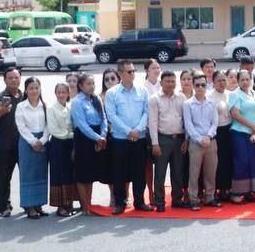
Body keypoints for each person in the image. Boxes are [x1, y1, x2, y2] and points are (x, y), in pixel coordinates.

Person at [105, 61, 152, 215]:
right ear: (120, 74)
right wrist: (128, 131)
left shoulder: (142, 90)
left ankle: (139, 201)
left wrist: (138, 130)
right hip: (120, 139)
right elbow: (111, 116)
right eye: (129, 71)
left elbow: (146, 112)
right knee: (119, 172)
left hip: (139, 137)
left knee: (139, 171)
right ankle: (120, 203)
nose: (133, 74)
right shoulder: (112, 93)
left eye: (133, 71)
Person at [0, 67, 24, 217]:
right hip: (5, 145)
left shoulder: (26, 96)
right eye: (10, 78)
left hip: (24, 144)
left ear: (20, 79)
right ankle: (4, 206)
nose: (14, 80)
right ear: (5, 80)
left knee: (27, 176)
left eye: (16, 77)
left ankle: (30, 205)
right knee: (4, 177)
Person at [149, 70, 188, 211]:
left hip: (179, 139)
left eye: (173, 81)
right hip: (162, 139)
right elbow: (152, 122)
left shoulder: (181, 97)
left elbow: (186, 120)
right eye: (167, 81)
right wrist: (155, 143)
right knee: (160, 172)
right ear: (161, 82)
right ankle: (159, 201)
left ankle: (177, 199)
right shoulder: (155, 99)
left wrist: (186, 139)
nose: (170, 84)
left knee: (178, 171)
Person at [70, 73, 109, 216]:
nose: (91, 86)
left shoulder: (96, 98)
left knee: (91, 173)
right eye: (88, 84)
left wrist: (103, 136)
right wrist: (97, 138)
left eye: (93, 83)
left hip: (98, 136)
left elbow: (103, 118)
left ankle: (89, 204)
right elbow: (81, 124)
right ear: (80, 86)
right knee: (83, 173)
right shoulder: (77, 101)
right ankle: (85, 206)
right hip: (84, 138)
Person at [227, 70, 255, 203]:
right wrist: (253, 127)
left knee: (254, 162)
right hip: (239, 133)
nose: (245, 82)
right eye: (242, 80)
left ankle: (250, 192)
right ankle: (236, 193)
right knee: (241, 162)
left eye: (247, 79)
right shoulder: (235, 94)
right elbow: (235, 114)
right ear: (238, 81)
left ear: (251, 80)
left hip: (254, 133)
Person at [182, 72, 221, 211]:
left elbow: (215, 122)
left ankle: (210, 197)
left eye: (203, 85)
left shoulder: (212, 102)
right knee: (194, 173)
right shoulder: (187, 104)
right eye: (197, 85)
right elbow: (188, 125)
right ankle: (194, 199)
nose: (200, 87)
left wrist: (208, 136)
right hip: (195, 143)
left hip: (211, 141)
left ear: (206, 86)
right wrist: (199, 139)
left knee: (211, 172)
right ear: (193, 86)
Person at [14, 77, 50, 219]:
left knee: (41, 173)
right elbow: (21, 127)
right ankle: (29, 207)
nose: (34, 91)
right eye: (31, 88)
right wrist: (33, 142)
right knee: (28, 174)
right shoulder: (21, 106)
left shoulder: (45, 106)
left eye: (36, 88)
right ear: (26, 90)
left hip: (42, 142)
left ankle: (39, 205)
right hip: (27, 142)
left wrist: (42, 140)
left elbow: (48, 125)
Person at [46, 82, 76, 216]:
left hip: (70, 144)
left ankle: (69, 203)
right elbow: (53, 129)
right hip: (58, 144)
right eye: (58, 92)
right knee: (59, 174)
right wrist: (71, 135)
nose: (61, 95)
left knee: (69, 173)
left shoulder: (70, 107)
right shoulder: (51, 108)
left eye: (64, 92)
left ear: (68, 93)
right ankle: (61, 206)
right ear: (55, 93)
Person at [209, 70, 234, 202]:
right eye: (218, 80)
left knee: (228, 160)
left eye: (224, 80)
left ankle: (227, 189)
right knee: (216, 162)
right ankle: (215, 190)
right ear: (213, 82)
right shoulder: (209, 96)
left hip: (229, 130)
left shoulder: (230, 94)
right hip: (216, 132)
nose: (221, 83)